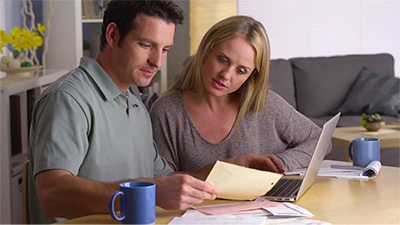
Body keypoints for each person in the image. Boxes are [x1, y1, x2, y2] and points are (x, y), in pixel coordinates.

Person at [28, 1, 218, 223]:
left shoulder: (136, 105)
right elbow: (52, 196)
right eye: (146, 45)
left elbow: (165, 181)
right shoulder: (67, 99)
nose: (157, 61)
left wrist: (228, 171)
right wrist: (153, 193)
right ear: (113, 35)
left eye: (165, 50)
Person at [149, 15, 326, 175]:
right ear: (206, 50)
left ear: (251, 75)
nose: (226, 75)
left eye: (241, 71)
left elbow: (320, 139)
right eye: (223, 60)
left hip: (267, 207)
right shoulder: (167, 111)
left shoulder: (266, 104)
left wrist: (282, 162)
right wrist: (224, 170)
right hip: (201, 209)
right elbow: (164, 182)